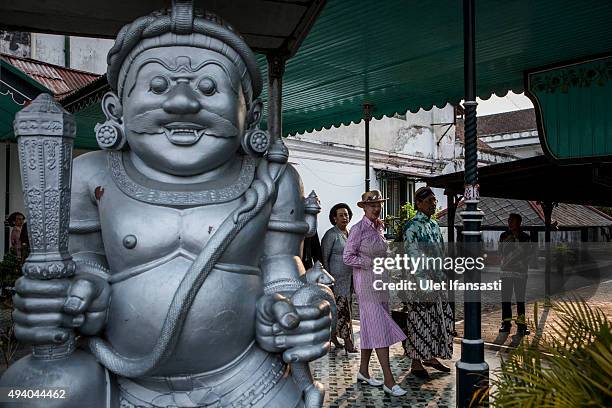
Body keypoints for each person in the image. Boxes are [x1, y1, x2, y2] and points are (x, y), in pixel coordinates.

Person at [11, 2, 334, 407]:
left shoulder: (274, 179)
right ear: (117, 111)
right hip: (124, 379)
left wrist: (303, 309)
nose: (182, 102)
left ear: (249, 117)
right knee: (31, 396)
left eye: (209, 87)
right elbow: (88, 262)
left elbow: (282, 271)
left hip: (247, 379)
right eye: (158, 86)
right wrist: (75, 298)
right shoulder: (93, 175)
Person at [343, 191, 408, 397]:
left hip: (382, 284)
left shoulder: (380, 227)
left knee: (370, 329)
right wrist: (369, 263)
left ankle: (363, 371)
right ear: (363, 207)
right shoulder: (357, 229)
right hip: (366, 286)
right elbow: (347, 257)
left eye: (379, 204)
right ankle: (389, 380)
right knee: (379, 329)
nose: (376, 208)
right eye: (372, 205)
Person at [403, 186, 453, 378]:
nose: (434, 204)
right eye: (430, 201)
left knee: (437, 320)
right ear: (419, 203)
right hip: (419, 284)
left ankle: (430, 356)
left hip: (437, 281)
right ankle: (416, 363)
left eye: (434, 201)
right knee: (419, 322)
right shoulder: (411, 226)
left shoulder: (433, 225)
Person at [321, 203, 357, 353]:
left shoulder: (351, 233)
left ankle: (333, 336)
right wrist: (328, 283)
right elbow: (324, 258)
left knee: (344, 309)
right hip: (336, 281)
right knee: (342, 311)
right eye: (341, 215)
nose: (345, 217)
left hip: (349, 279)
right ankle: (348, 341)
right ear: (334, 218)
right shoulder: (331, 235)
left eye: (347, 214)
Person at [499, 213, 531, 336]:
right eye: (509, 220)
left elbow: (527, 254)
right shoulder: (504, 235)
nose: (509, 223)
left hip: (520, 273)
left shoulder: (525, 237)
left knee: (520, 300)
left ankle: (522, 325)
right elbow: (500, 252)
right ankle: (506, 323)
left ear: (519, 223)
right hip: (506, 272)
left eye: (512, 221)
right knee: (505, 299)